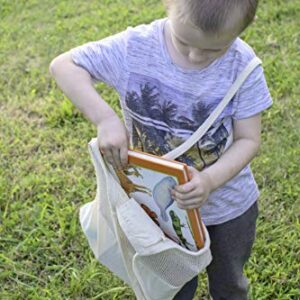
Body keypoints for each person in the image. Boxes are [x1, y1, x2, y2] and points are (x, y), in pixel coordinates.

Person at [49, 0, 272, 299]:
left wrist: (209, 180)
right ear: (168, 3)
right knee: (172, 288)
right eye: (183, 42)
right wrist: (105, 119)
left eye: (213, 50)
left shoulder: (243, 67)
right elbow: (64, 66)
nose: (194, 56)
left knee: (229, 283)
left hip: (228, 209)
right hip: (160, 212)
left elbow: (249, 139)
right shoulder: (135, 48)